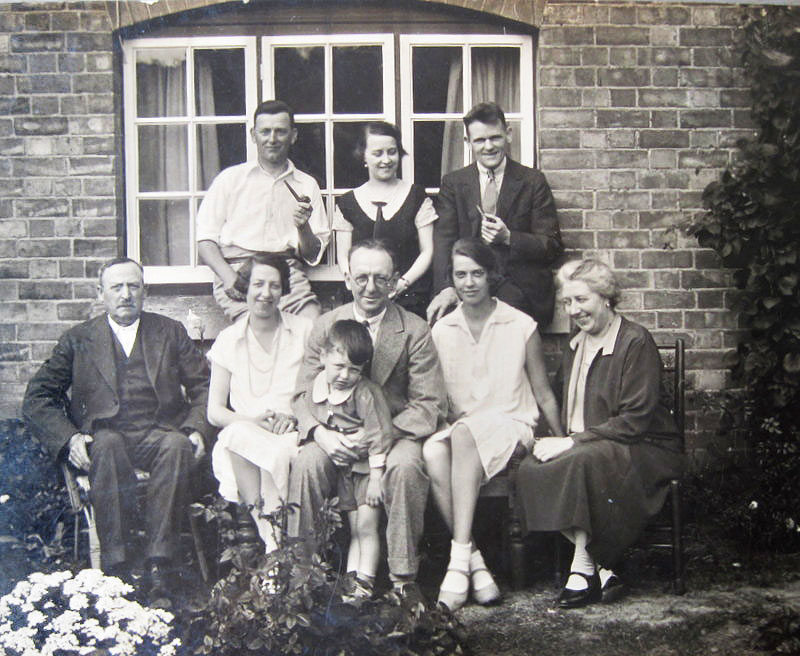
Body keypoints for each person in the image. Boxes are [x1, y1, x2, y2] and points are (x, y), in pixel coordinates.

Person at [22, 258, 210, 605]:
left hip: (158, 431)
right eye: (117, 287)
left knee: (176, 445)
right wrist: (69, 438)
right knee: (104, 446)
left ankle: (159, 567)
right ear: (101, 294)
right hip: (108, 436)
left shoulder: (169, 332)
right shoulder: (79, 339)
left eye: (133, 286)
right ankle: (116, 568)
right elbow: (37, 398)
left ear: (145, 291)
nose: (126, 295)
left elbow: (204, 386)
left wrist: (196, 428)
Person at [515, 259, 684, 608]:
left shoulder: (635, 342)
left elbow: (635, 421)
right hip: (593, 446)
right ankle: (606, 565)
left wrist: (571, 442)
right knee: (530, 468)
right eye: (567, 302)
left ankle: (581, 569)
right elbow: (565, 407)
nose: (574, 310)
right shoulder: (575, 345)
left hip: (644, 447)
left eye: (582, 300)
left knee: (582, 461)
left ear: (606, 298)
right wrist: (556, 438)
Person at [288, 238, 447, 605]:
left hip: (395, 429)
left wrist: (378, 437)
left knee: (406, 466)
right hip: (333, 431)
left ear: (394, 282)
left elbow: (428, 404)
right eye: (361, 278)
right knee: (308, 462)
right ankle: (300, 573)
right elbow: (300, 395)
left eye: (380, 278)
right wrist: (321, 434)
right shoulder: (327, 325)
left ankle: (403, 579)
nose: (370, 287)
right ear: (347, 278)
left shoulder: (414, 329)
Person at [423, 238, 564, 611]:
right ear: (451, 280)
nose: (469, 283)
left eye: (477, 274)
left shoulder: (520, 325)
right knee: (432, 450)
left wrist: (563, 440)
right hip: (465, 430)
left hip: (512, 425)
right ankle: (476, 563)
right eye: (460, 275)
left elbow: (543, 392)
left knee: (465, 433)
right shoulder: (443, 330)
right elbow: (438, 401)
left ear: (491, 276)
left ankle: (456, 563)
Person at [206, 252, 313, 553]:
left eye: (274, 286)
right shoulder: (229, 339)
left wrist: (294, 419)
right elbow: (214, 412)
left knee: (278, 453)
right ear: (245, 288)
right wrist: (252, 421)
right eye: (258, 285)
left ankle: (274, 549)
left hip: (292, 432)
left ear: (283, 290)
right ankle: (275, 544)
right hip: (247, 431)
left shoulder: (304, 331)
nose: (266, 294)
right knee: (238, 438)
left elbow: (317, 393)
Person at [427, 101, 563, 326]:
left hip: (519, 290)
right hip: (468, 288)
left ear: (508, 134)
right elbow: (444, 241)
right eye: (480, 140)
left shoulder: (532, 181)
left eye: (495, 138)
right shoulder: (454, 183)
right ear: (467, 142)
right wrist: (447, 287)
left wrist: (509, 238)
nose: (488, 147)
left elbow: (552, 245)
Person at [197, 99, 330, 321]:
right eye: (265, 131)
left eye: (280, 132)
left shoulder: (306, 185)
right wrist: (229, 278)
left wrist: (303, 227)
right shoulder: (230, 179)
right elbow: (205, 240)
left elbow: (313, 254)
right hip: (239, 270)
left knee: (310, 325)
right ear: (253, 135)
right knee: (257, 332)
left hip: (286, 271)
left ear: (293, 136)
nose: (272, 139)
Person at [296, 320, 393, 600]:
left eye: (354, 369)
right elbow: (308, 411)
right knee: (354, 529)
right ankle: (352, 586)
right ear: (324, 357)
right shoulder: (318, 388)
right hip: (346, 473)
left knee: (367, 526)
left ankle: (367, 579)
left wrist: (377, 478)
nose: (344, 375)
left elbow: (379, 435)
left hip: (367, 472)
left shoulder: (364, 393)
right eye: (339, 366)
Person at [333, 122, 437, 318]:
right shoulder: (348, 202)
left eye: (392, 152)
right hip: (362, 298)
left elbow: (427, 251)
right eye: (378, 153)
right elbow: (343, 257)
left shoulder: (416, 197)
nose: (386, 160)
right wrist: (359, 286)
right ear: (363, 155)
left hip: (409, 297)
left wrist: (402, 283)